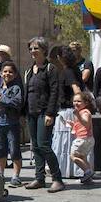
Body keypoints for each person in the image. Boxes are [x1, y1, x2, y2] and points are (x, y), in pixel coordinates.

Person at [23, 37, 64, 192]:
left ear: (44, 50)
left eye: (36, 48)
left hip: (44, 112)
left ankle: (57, 179)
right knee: (36, 147)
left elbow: (55, 92)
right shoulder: (28, 70)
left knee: (44, 145)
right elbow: (27, 92)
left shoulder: (50, 69)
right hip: (31, 112)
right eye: (31, 48)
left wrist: (50, 113)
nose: (33, 51)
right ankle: (39, 178)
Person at [52, 47, 84, 180]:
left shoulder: (68, 71)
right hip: (71, 111)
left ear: (60, 58)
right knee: (70, 142)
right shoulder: (75, 69)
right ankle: (70, 169)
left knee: (66, 142)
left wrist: (78, 106)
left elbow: (76, 89)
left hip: (68, 111)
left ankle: (67, 170)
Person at [0, 61, 23, 187]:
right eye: (5, 71)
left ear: (15, 75)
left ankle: (16, 176)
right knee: (0, 150)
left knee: (14, 149)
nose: (7, 74)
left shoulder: (16, 88)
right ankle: (1, 173)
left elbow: (17, 103)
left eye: (10, 72)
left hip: (12, 123)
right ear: (0, 74)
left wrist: (1, 99)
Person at [68, 92, 96, 184]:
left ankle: (88, 172)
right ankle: (88, 176)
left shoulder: (85, 112)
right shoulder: (81, 112)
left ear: (86, 103)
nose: (76, 103)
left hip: (83, 139)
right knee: (82, 157)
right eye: (74, 101)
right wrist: (73, 124)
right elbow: (81, 125)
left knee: (73, 156)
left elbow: (86, 124)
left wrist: (78, 116)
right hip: (87, 139)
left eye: (79, 101)